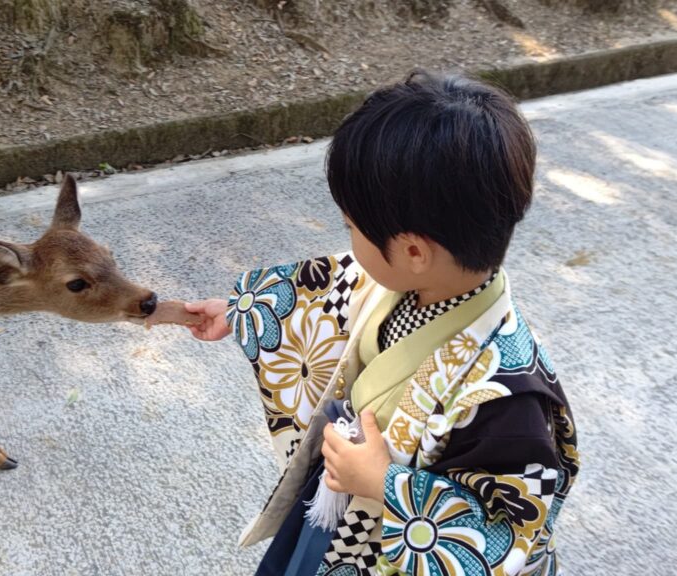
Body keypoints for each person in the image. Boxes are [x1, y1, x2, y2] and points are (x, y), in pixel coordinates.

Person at [185, 70, 580, 576]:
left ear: (414, 250)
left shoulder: (506, 392)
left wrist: (384, 483)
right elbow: (326, 288)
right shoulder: (409, 280)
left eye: (352, 228)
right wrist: (243, 312)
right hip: (344, 505)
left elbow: (508, 531)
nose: (348, 241)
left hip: (383, 535)